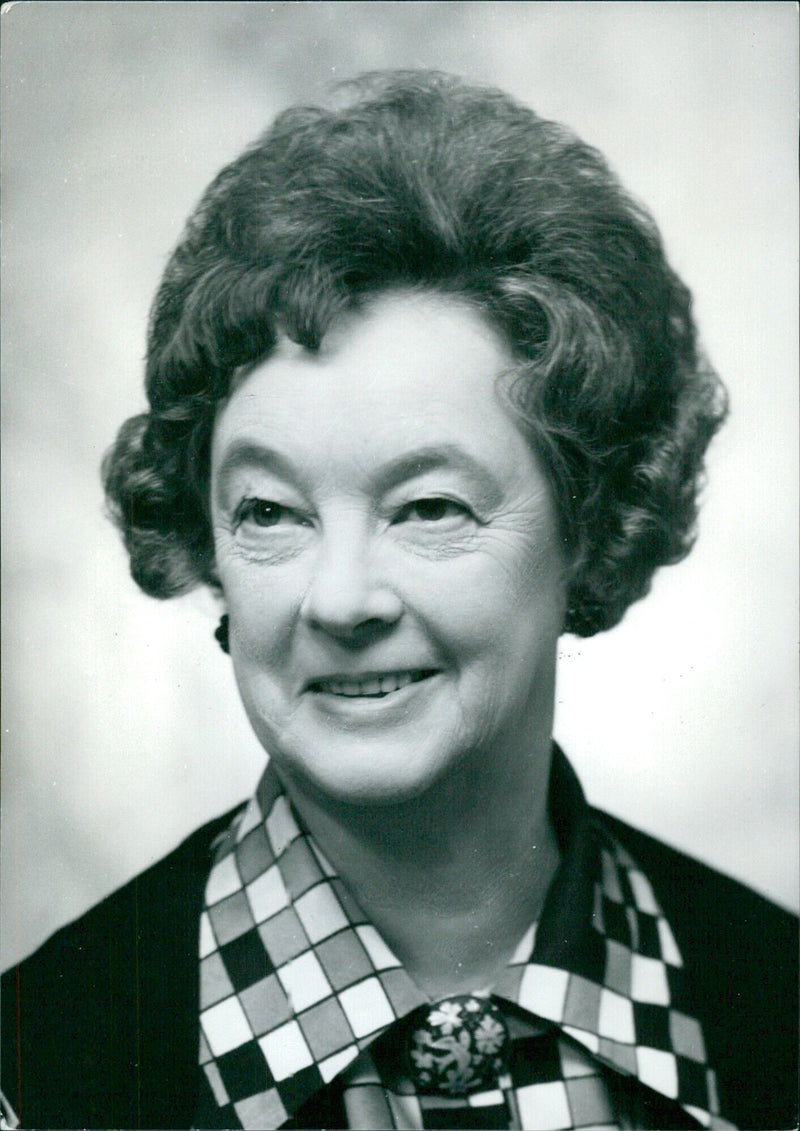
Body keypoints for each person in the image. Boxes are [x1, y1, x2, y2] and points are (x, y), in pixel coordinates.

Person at [1, 71, 796, 1131]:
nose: (338, 600)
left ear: (592, 528)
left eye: (427, 507)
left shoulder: (775, 1010)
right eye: (271, 512)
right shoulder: (34, 1071)